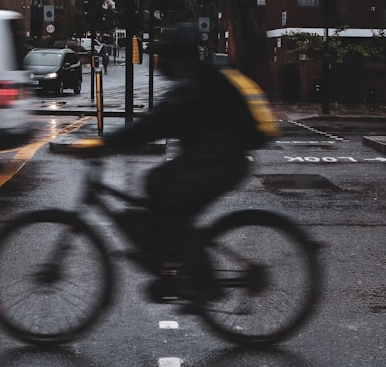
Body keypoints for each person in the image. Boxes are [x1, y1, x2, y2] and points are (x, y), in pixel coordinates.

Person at [72, 23, 278, 298]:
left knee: (167, 196)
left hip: (219, 162)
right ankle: (174, 265)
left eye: (164, 55)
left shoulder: (192, 85)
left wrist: (105, 143)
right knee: (160, 189)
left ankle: (200, 283)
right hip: (216, 159)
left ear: (175, 56)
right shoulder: (198, 78)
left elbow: (152, 125)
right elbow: (157, 123)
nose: (159, 62)